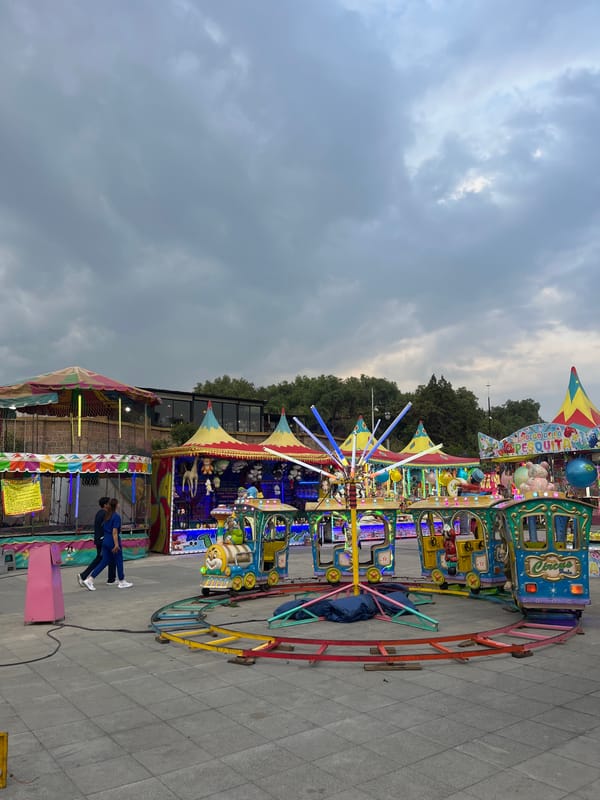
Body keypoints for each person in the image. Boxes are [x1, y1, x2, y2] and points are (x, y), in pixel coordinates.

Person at [83, 498, 133, 590]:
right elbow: (114, 532)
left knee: (104, 561)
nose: (119, 505)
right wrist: (116, 544)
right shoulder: (116, 516)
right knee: (119, 560)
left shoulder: (107, 515)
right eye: (118, 503)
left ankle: (90, 579)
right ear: (116, 505)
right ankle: (122, 581)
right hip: (112, 540)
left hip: (105, 540)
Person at [78, 497, 116, 587]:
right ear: (105, 505)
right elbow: (107, 527)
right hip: (103, 540)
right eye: (109, 503)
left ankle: (111, 579)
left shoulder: (100, 513)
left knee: (105, 558)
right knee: (104, 558)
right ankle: (85, 576)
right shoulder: (105, 514)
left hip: (100, 539)